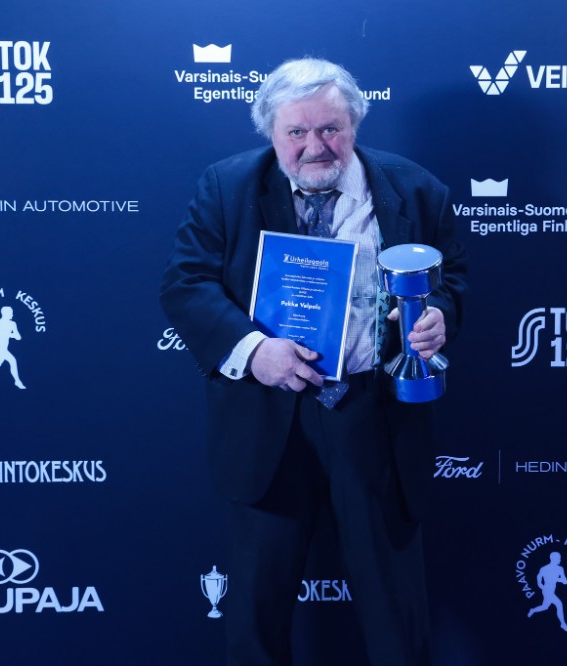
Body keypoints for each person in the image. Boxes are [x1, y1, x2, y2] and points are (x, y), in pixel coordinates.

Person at [160, 57, 467, 666]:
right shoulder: (226, 187)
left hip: (376, 416)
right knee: (256, 615)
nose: (314, 146)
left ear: (355, 123)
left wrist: (436, 316)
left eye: (330, 128)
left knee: (396, 613)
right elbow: (185, 284)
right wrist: (254, 351)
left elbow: (449, 279)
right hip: (269, 417)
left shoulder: (416, 189)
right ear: (271, 132)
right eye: (296, 132)